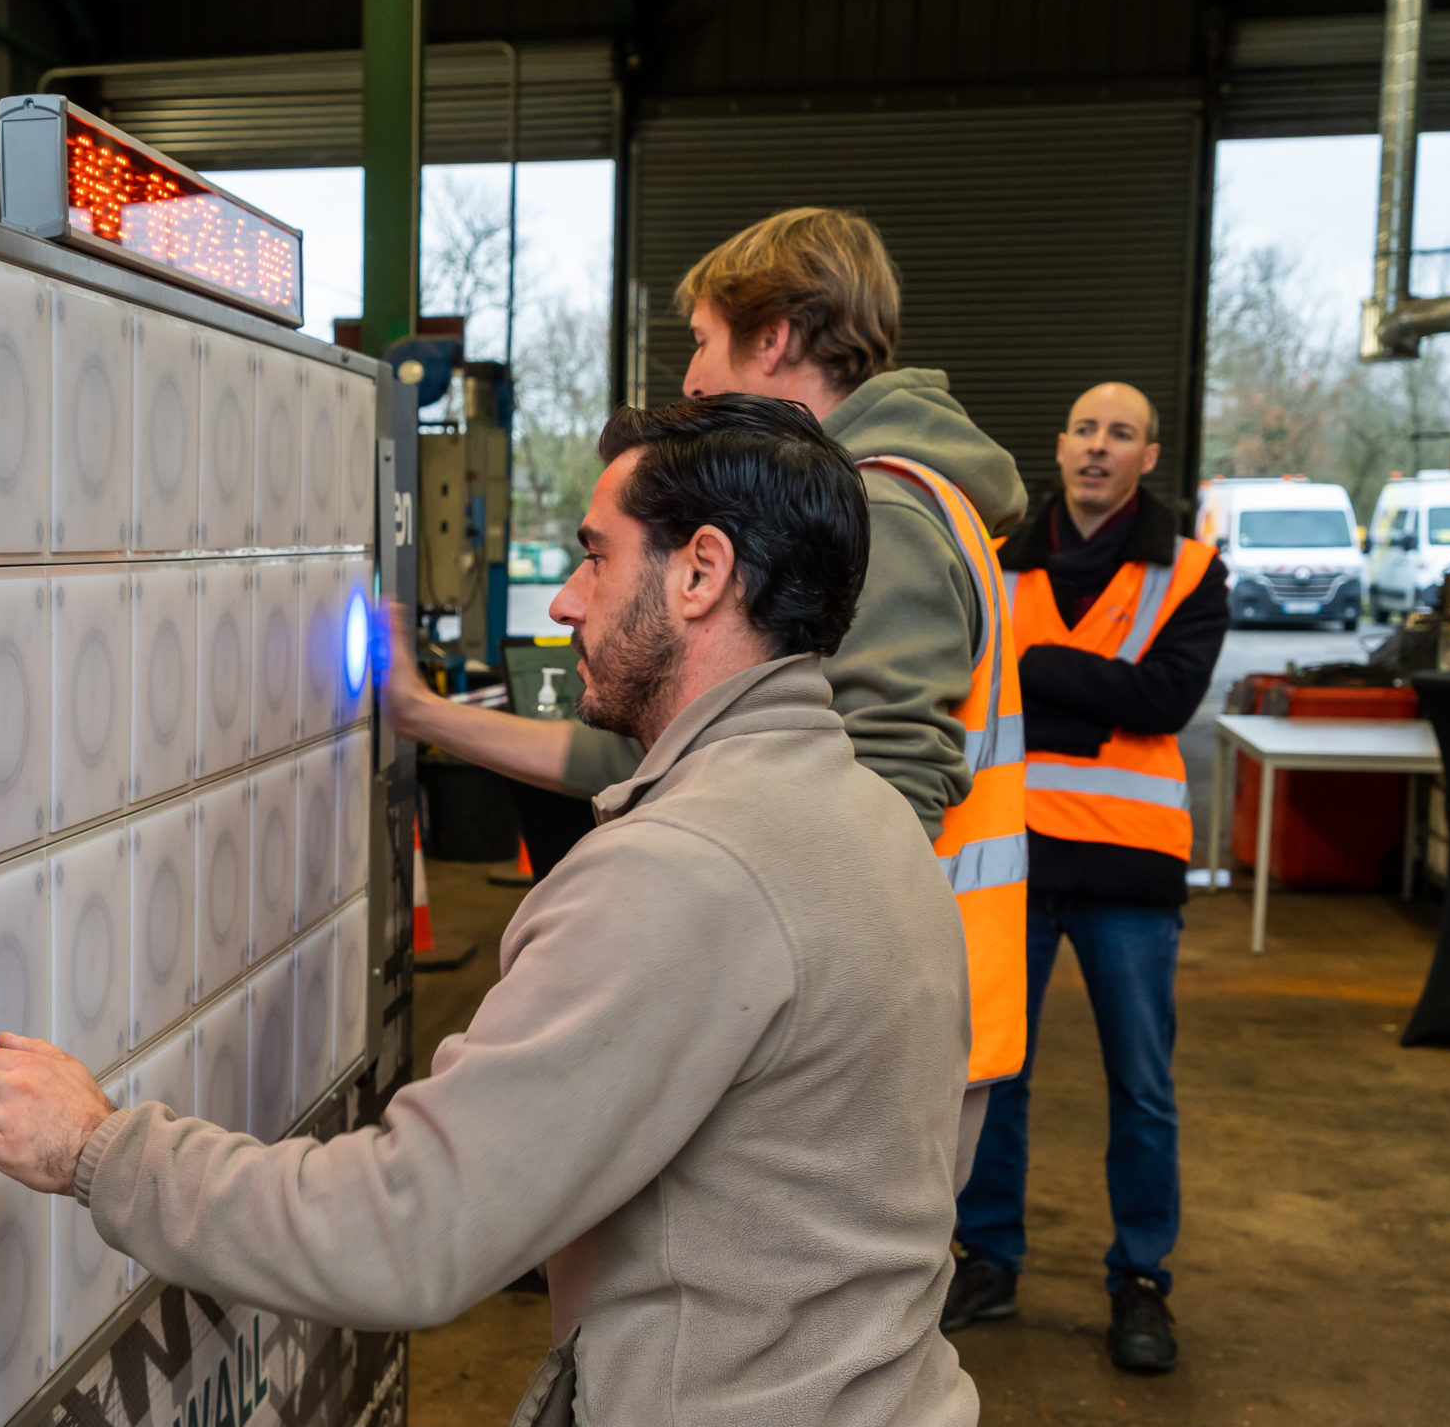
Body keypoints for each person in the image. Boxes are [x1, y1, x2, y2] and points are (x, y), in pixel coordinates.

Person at [0, 397, 988, 1427]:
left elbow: (412, 1231)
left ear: (700, 574)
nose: (566, 604)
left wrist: (96, 1147)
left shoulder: (681, 877)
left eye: (593, 555)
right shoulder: (863, 818)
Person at [387, 207, 1030, 1177]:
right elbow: (677, 754)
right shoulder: (901, 497)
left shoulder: (881, 509)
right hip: (872, 1002)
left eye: (700, 342)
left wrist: (669, 916)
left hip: (849, 1024)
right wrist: (427, 717)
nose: (688, 378)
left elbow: (885, 799)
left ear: (772, 338)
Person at [939, 382, 1229, 1375]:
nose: (1098, 448)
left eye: (1121, 435)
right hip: (1014, 861)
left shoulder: (1188, 572)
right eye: (1083, 430)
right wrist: (1087, 690)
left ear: (1149, 457)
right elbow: (970, 680)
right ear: (1057, 445)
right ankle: (987, 1259)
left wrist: (1033, 671)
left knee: (1140, 1087)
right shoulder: (998, 557)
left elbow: (1162, 697)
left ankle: (1140, 1279)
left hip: (1127, 872)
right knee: (995, 1076)